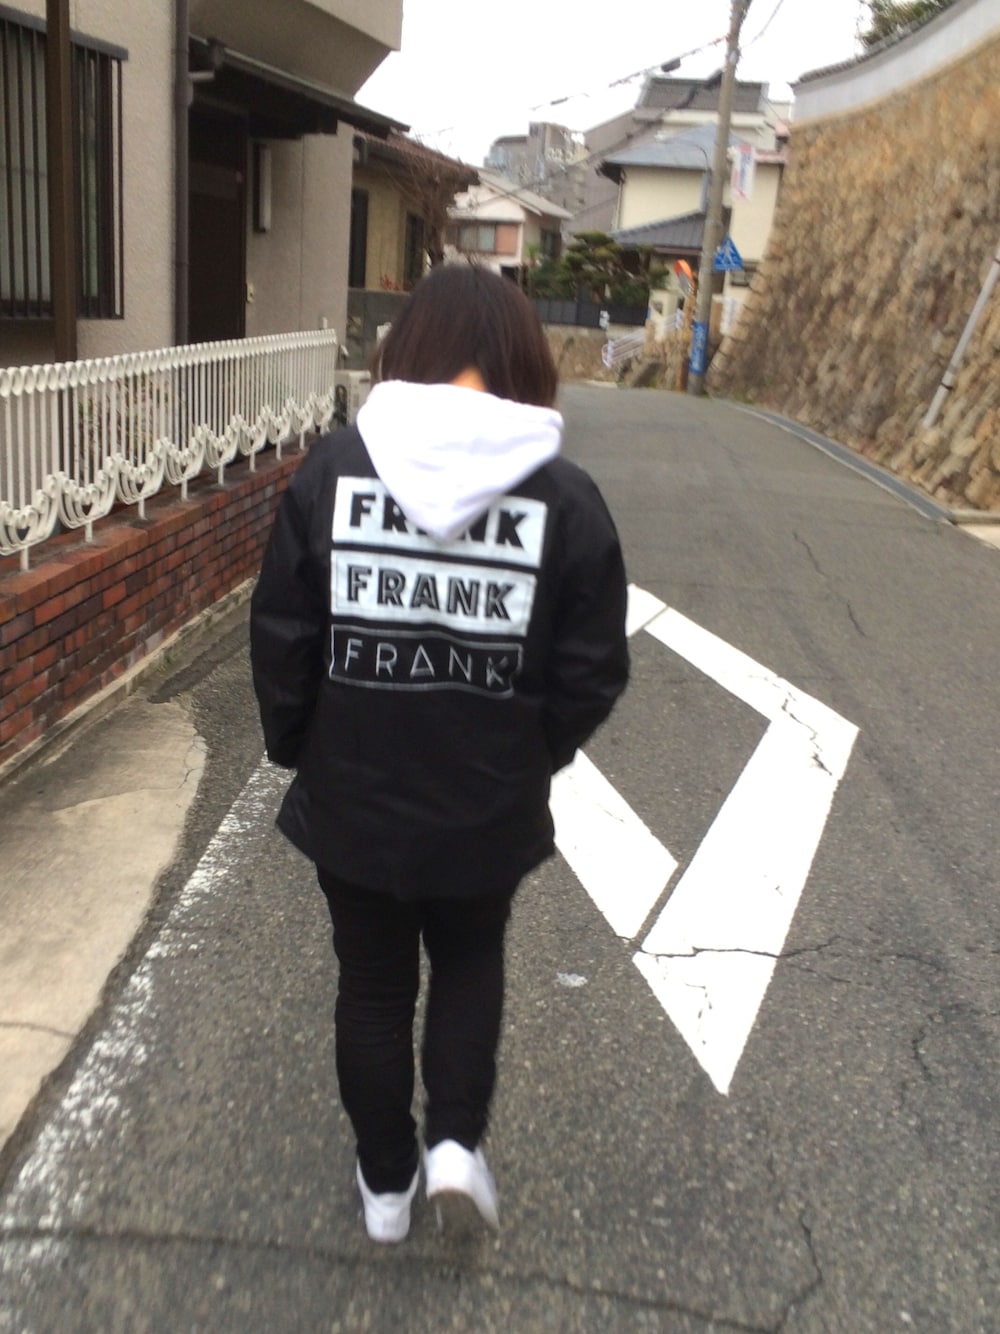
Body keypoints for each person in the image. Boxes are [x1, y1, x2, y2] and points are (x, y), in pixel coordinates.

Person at [250, 264, 629, 1244]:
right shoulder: (565, 497)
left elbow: (284, 633)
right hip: (485, 802)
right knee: (468, 960)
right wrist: (531, 752)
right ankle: (454, 1142)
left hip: (355, 797)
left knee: (374, 987)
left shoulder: (333, 470)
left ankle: (386, 1186)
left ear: (405, 350)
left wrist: (300, 745)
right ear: (523, 360)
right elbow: (593, 668)